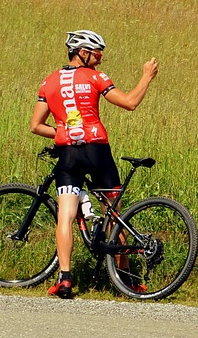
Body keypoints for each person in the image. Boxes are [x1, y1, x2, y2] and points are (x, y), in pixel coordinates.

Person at [30, 30, 159, 298]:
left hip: (68, 153)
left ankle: (65, 280)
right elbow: (130, 103)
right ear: (83, 52)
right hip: (97, 150)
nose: (100, 60)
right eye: (97, 54)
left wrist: (65, 132)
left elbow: (36, 126)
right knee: (114, 214)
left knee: (65, 214)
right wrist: (146, 76)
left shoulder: (49, 82)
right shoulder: (95, 78)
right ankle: (125, 281)